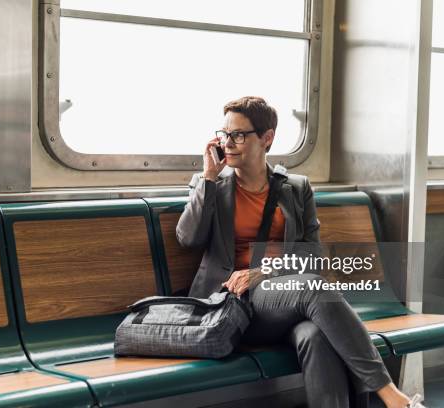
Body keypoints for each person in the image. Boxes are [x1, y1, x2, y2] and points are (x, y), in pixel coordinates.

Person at [176, 96, 426, 408]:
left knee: (315, 335)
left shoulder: (296, 188)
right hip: (230, 305)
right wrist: (209, 177)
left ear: (267, 138)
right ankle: (393, 397)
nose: (228, 143)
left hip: (284, 303)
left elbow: (313, 257)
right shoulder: (209, 184)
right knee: (313, 288)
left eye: (239, 135)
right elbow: (188, 238)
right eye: (224, 134)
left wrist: (264, 272)